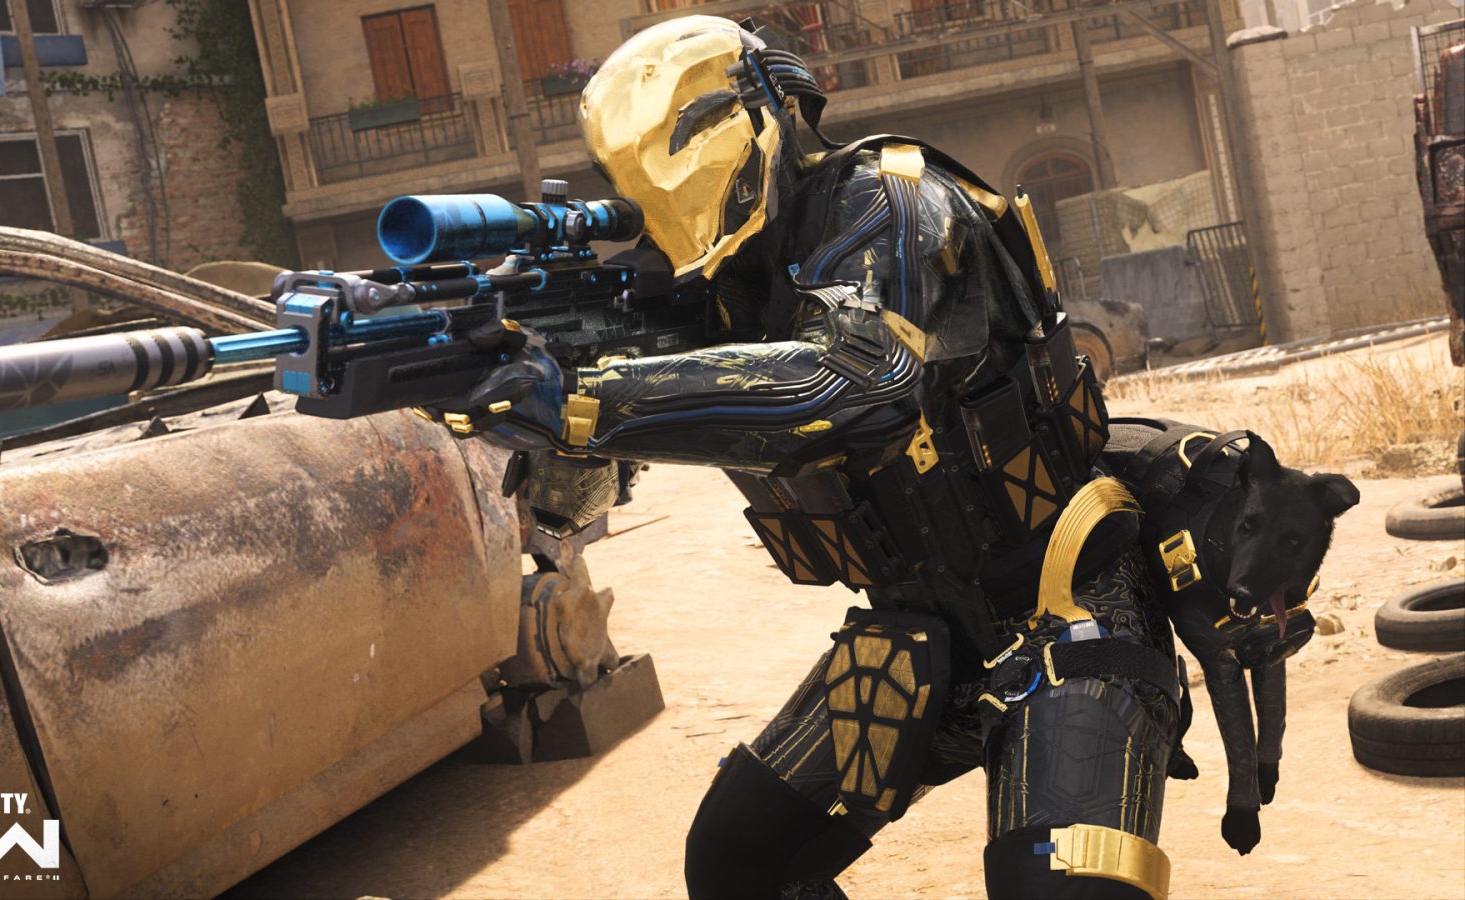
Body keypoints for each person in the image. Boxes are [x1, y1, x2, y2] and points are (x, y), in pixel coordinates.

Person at [427, 16, 1181, 899]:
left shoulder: (888, 198)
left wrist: (586, 398)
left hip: (1067, 603)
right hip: (916, 635)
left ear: (770, 110)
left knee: (1062, 887)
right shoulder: (709, 284)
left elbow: (858, 380)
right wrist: (541, 414)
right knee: (737, 863)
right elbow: (572, 504)